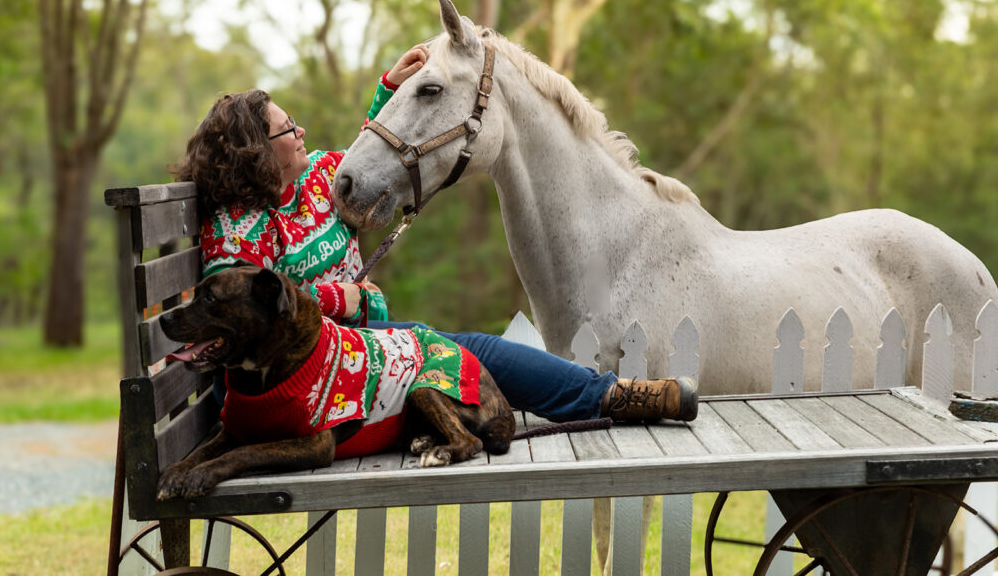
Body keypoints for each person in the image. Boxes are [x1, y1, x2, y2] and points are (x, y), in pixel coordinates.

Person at [172, 45, 698, 425]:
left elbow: (372, 158)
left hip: (348, 354)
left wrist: (388, 88)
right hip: (308, 377)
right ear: (257, 153)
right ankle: (614, 398)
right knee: (472, 354)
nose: (302, 132)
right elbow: (233, 310)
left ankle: (606, 397)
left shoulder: (313, 182)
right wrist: (345, 297)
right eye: (288, 130)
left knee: (468, 353)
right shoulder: (235, 228)